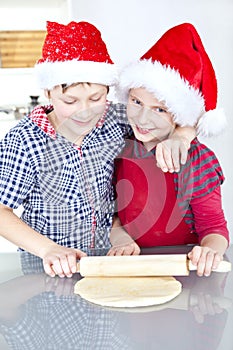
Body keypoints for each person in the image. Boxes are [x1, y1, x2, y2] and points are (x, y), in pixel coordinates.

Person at [0, 21, 195, 278]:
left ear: (108, 91)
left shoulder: (114, 120)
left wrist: (179, 137)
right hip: (48, 270)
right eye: (70, 101)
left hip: (107, 263)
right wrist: (49, 250)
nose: (85, 111)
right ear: (48, 92)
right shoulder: (23, 140)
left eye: (96, 99)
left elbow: (188, 117)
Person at [108, 22, 229, 277]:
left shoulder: (198, 160)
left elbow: (215, 230)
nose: (142, 118)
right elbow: (120, 212)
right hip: (137, 269)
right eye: (136, 101)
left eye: (159, 109)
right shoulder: (123, 145)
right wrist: (119, 236)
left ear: (179, 115)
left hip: (186, 270)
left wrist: (209, 250)